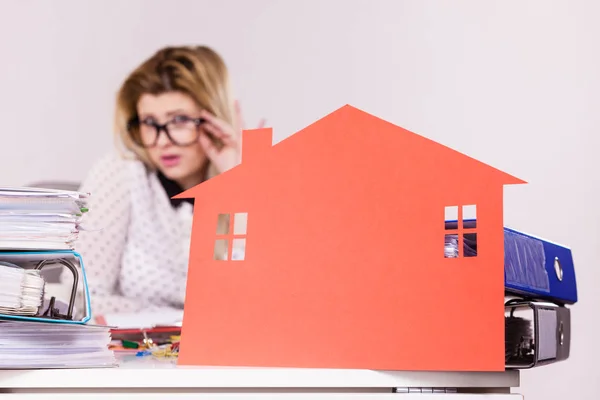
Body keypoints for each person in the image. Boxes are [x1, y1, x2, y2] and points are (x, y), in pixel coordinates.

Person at [65, 45, 262, 319]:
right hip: (139, 355)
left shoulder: (249, 184)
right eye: (149, 122)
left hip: (224, 355)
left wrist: (236, 177)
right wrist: (170, 317)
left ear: (214, 118)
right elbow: (79, 296)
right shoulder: (122, 173)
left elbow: (257, 298)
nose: (162, 140)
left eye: (179, 120)